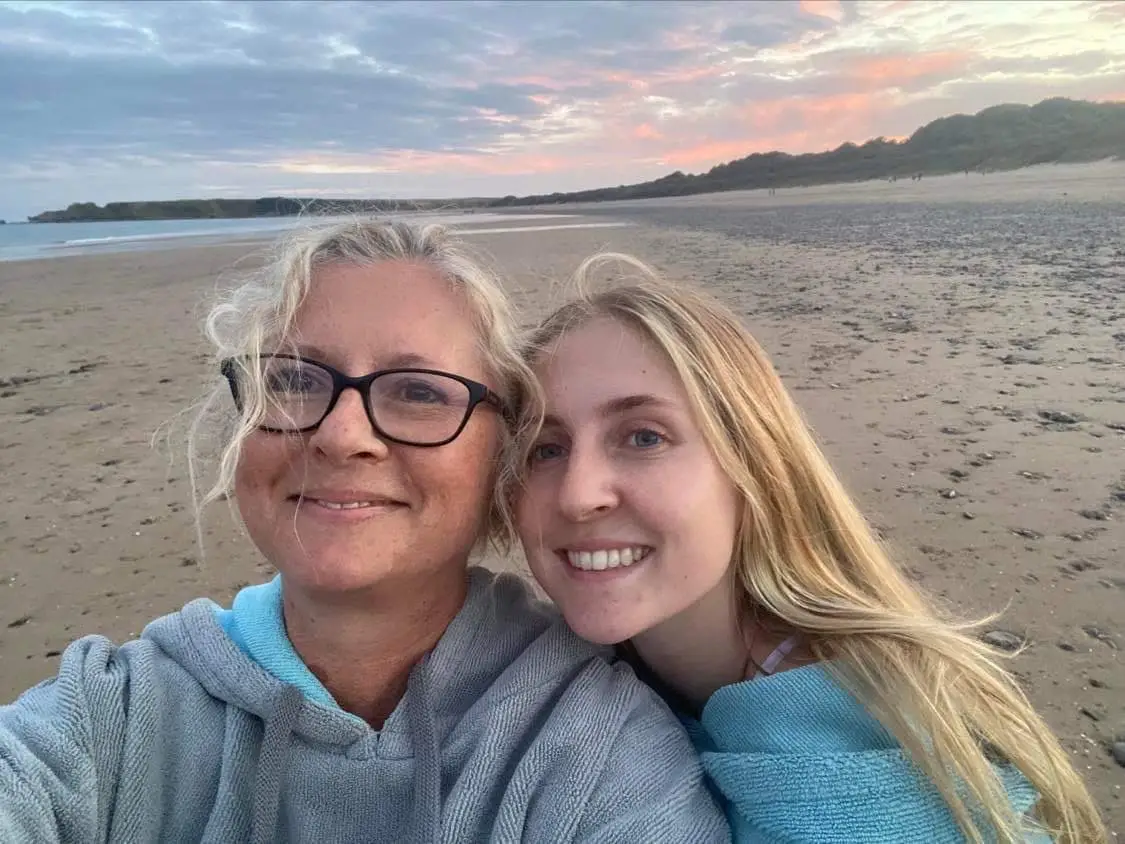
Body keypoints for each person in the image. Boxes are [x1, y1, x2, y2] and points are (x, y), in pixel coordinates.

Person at [0, 223, 730, 843]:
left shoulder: (597, 746)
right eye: (294, 380)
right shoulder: (111, 715)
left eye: (418, 392)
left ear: (501, 454)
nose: (342, 435)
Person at [512, 252, 1106, 843]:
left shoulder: (871, 770)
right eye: (546, 448)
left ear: (755, 464)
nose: (577, 495)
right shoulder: (564, 676)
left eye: (645, 437)